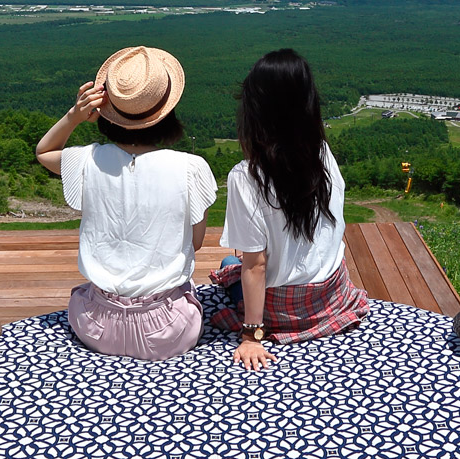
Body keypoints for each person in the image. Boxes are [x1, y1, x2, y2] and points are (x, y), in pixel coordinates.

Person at [36, 45, 217, 360]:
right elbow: (195, 243)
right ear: (166, 113)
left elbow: (44, 152)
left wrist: (73, 116)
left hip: (95, 325)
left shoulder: (86, 160)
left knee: (82, 295)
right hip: (169, 329)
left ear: (108, 111)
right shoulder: (191, 167)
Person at [212, 49, 369, 369]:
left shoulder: (246, 176)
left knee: (233, 261)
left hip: (281, 310)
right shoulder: (322, 154)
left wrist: (251, 337)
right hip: (333, 296)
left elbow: (255, 267)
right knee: (241, 261)